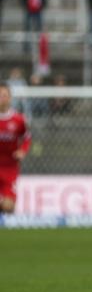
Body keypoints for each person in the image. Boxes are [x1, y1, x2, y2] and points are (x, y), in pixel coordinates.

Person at [0, 83, 31, 215]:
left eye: (4, 95)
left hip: (10, 168)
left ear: (10, 98)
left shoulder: (18, 119)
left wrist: (23, 150)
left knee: (8, 207)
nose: (2, 98)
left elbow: (27, 137)